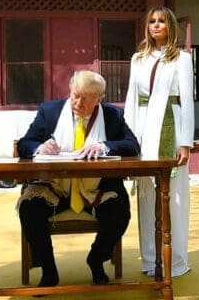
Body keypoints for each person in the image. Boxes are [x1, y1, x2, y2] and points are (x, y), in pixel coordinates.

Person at [17, 70, 140, 286]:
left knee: (120, 210)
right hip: (54, 189)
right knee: (29, 209)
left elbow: (132, 145)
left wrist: (103, 146)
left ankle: (96, 258)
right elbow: (25, 144)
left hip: (96, 190)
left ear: (99, 99)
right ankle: (48, 270)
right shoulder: (50, 111)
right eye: (75, 95)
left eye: (86, 98)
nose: (77, 102)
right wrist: (40, 147)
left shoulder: (112, 116)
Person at [124, 6, 195, 278]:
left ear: (170, 26)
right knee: (146, 193)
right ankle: (150, 259)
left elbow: (186, 101)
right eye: (152, 21)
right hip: (144, 128)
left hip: (171, 125)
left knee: (174, 195)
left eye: (161, 21)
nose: (156, 26)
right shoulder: (137, 59)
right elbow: (132, 98)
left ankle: (175, 260)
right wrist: (130, 138)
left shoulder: (182, 59)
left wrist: (185, 142)